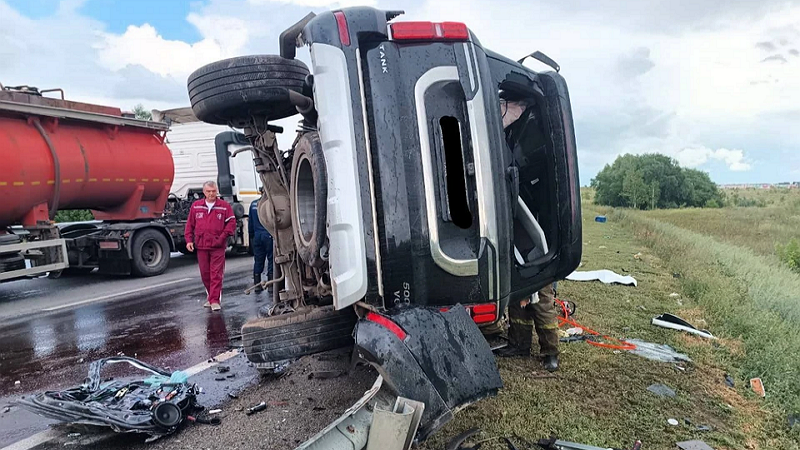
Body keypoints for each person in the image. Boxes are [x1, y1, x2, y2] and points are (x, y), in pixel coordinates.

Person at [494, 96, 560, 371]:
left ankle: (550, 352)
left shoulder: (538, 193)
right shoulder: (513, 188)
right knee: (517, 302)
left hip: (536, 251)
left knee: (542, 303)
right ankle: (519, 344)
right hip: (517, 247)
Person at [185, 181, 236, 312]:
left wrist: (222, 237)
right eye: (208, 191)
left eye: (213, 191)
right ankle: (210, 296)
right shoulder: (196, 206)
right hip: (201, 245)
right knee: (205, 274)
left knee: (216, 274)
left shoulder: (224, 206)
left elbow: (231, 223)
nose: (211, 194)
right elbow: (190, 224)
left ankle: (214, 300)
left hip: (217, 246)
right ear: (204, 192)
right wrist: (189, 240)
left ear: (216, 191)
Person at [249, 189, 273, 294]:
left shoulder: (253, 204)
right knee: (271, 260)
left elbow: (250, 222)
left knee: (258, 260)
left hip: (257, 236)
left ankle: (257, 285)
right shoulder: (270, 203)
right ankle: (271, 285)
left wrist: (251, 235)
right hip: (268, 235)